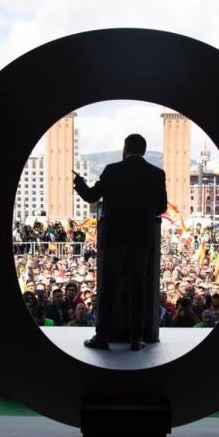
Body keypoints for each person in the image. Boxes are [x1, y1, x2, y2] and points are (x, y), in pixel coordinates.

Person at [74, 133, 167, 351]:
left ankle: (102, 337)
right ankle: (137, 339)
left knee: (109, 289)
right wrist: (142, 214)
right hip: (140, 240)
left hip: (114, 239)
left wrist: (78, 183)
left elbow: (91, 196)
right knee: (138, 289)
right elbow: (161, 207)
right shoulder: (156, 174)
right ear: (143, 150)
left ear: (125, 149)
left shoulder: (112, 170)